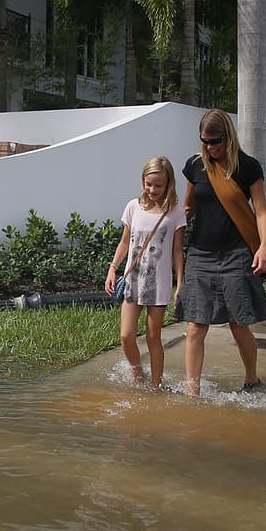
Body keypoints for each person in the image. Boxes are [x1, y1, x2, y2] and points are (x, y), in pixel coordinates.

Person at [175, 109, 266, 395]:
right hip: (200, 254)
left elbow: (261, 212)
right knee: (195, 326)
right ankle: (192, 391)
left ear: (228, 137)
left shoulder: (249, 167)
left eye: (215, 141)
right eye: (205, 142)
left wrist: (264, 247)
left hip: (236, 254)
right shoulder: (195, 166)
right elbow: (188, 209)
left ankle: (251, 378)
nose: (210, 147)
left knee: (238, 323)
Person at [105, 157, 186, 388]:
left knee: (153, 337)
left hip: (158, 284)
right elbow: (124, 243)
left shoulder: (176, 213)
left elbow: (178, 251)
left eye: (158, 185)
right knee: (126, 335)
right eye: (148, 184)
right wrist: (112, 268)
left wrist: (180, 283)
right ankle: (137, 372)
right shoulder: (133, 207)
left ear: (169, 184)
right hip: (133, 281)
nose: (152, 190)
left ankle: (156, 385)